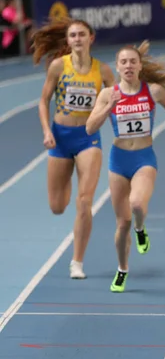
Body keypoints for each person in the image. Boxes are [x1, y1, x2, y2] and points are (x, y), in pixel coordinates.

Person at [86, 45, 165, 293]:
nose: (129, 66)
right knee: (121, 224)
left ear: (140, 66)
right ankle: (122, 269)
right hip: (118, 161)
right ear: (117, 67)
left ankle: (140, 230)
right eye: (124, 62)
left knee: (138, 204)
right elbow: (89, 128)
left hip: (144, 158)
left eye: (133, 61)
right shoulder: (108, 93)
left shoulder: (153, 91)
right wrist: (108, 106)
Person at [34, 19, 115, 279]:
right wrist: (47, 131)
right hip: (60, 138)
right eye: (73, 35)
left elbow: (116, 102)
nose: (78, 39)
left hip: (88, 138)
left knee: (84, 201)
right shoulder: (59, 66)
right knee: (57, 206)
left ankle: (77, 261)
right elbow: (44, 100)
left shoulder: (102, 71)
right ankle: (67, 173)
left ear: (91, 38)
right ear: (68, 41)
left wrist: (120, 131)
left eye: (82, 34)